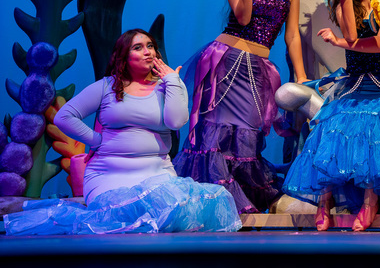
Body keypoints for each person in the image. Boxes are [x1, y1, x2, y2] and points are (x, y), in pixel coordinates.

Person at [3, 29, 241, 235]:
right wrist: (95, 140)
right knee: (123, 212)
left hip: (156, 173)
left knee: (186, 204)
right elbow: (65, 116)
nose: (148, 51)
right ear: (124, 56)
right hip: (109, 174)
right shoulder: (107, 86)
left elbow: (176, 121)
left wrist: (173, 81)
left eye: (151, 46)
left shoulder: (168, 86)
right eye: (138, 47)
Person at [173, 0, 308, 213]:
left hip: (258, 67)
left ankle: (241, 198)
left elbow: (292, 34)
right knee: (215, 133)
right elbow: (244, 19)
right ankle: (211, 203)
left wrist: (301, 75)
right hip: (227, 61)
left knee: (247, 133)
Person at [282, 0, 380, 231]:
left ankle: (369, 203)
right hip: (353, 83)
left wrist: (339, 43)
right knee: (330, 125)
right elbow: (352, 34)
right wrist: (345, 4)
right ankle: (324, 202)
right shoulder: (344, 5)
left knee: (373, 126)